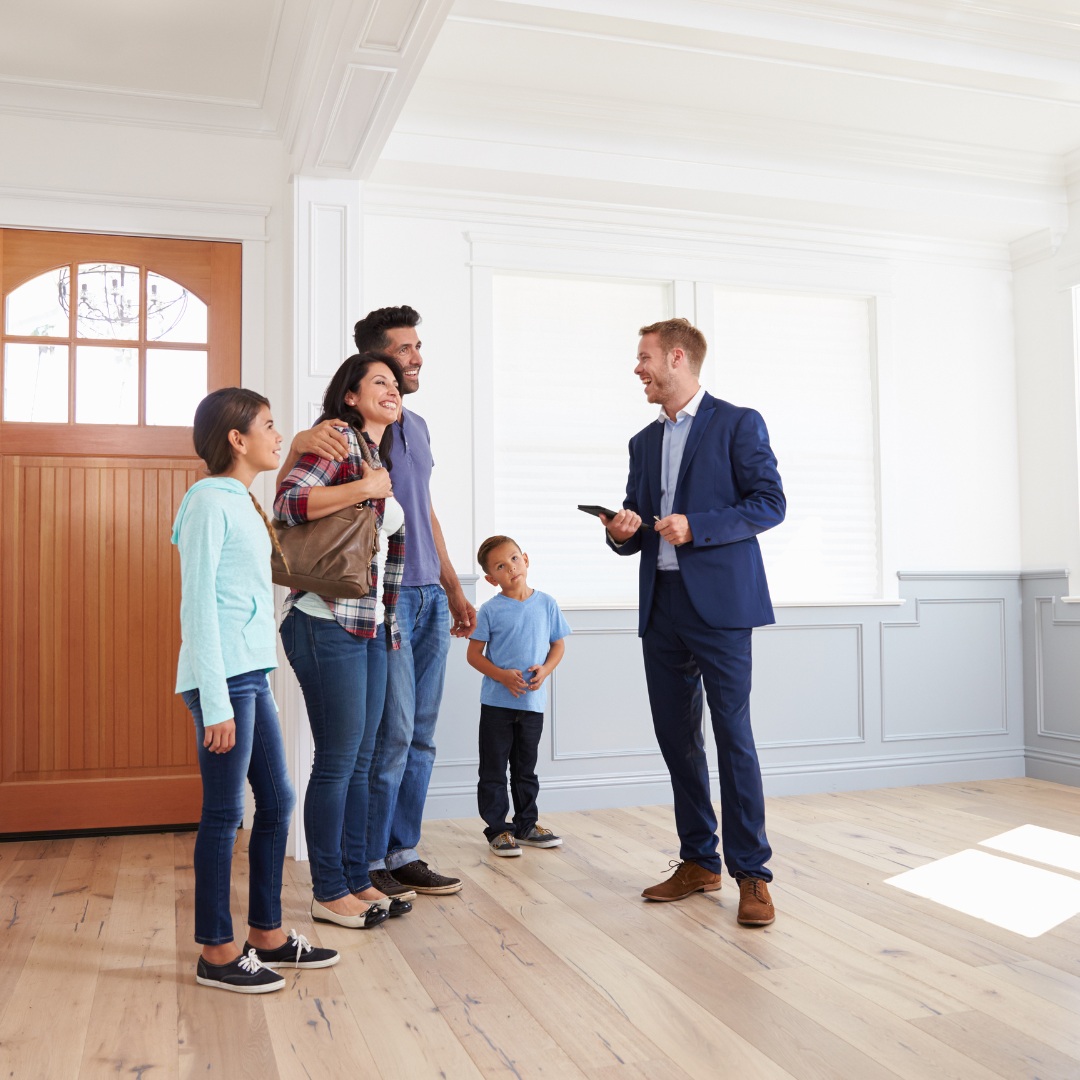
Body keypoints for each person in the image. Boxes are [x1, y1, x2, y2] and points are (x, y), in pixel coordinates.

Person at [276, 306, 475, 897]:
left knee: (417, 736)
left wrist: (453, 585)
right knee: (377, 743)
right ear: (367, 371)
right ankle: (361, 865)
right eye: (401, 354)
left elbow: (421, 510)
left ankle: (396, 851)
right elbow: (291, 498)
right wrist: (301, 448)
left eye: (416, 350)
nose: (415, 360)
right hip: (357, 604)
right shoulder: (336, 437)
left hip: (411, 597)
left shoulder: (410, 430)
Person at [601, 318, 785, 927]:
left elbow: (769, 503)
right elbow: (637, 529)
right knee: (677, 739)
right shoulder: (642, 442)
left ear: (677, 358)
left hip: (723, 609)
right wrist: (622, 531)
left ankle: (752, 875)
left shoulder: (738, 422)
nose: (638, 370)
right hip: (662, 607)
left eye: (645, 358)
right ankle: (699, 861)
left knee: (733, 738)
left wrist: (697, 527)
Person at [174, 387, 338, 994]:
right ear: (236, 439)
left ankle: (265, 934)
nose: (279, 435)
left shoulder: (241, 499)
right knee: (224, 815)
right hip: (222, 682)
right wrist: (215, 701)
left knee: (276, 801)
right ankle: (216, 952)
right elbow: (199, 608)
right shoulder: (207, 503)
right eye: (269, 426)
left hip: (250, 674)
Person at [275, 353, 412, 929]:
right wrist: (364, 485)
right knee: (337, 762)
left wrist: (391, 624)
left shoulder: (375, 455)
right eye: (378, 381)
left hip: (368, 624)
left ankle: (357, 881)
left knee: (360, 762)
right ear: (349, 396)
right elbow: (288, 505)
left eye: (396, 384)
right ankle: (328, 891)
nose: (393, 388)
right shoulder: (335, 442)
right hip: (324, 618)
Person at [466, 536, 571, 856]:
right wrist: (500, 676)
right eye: (500, 565)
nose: (510, 567)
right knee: (494, 768)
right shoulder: (489, 610)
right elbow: (474, 655)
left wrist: (546, 670)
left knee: (526, 768)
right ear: (490, 578)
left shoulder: (547, 603)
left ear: (525, 559)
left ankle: (526, 825)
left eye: (513, 559)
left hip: (532, 704)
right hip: (497, 705)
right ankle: (498, 829)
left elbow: (558, 645)